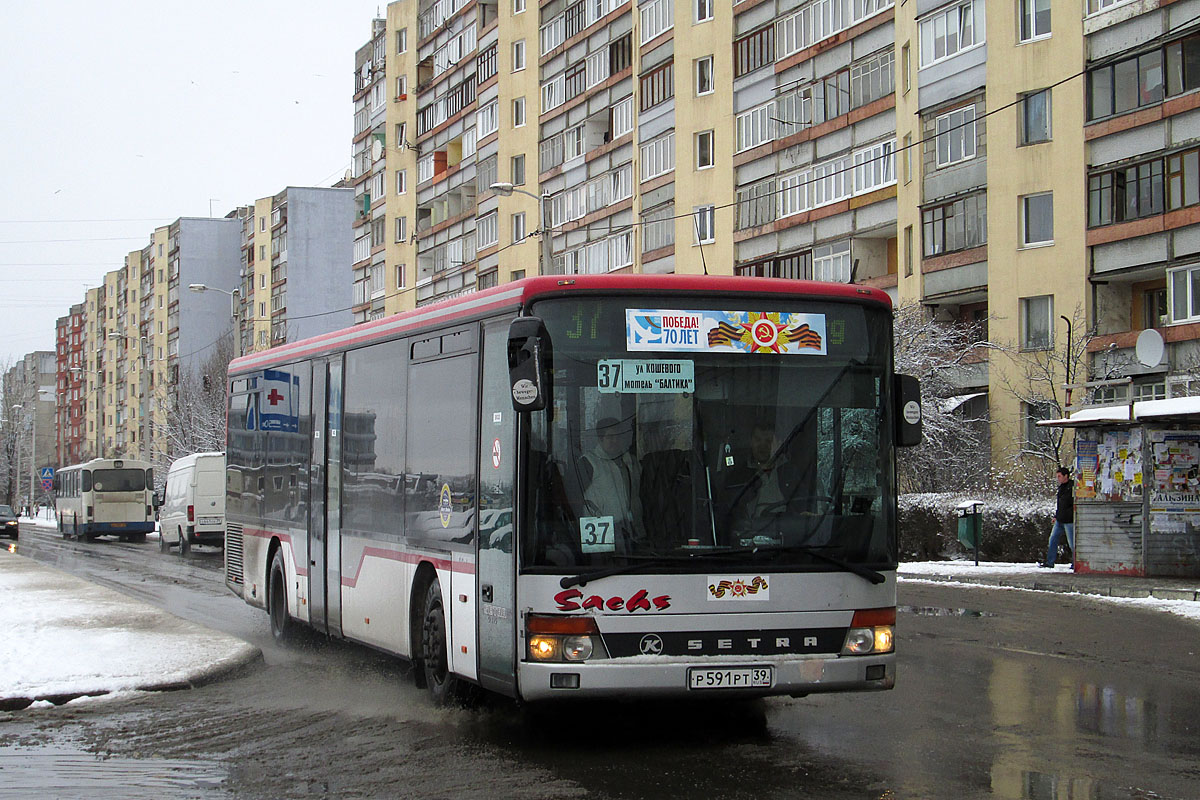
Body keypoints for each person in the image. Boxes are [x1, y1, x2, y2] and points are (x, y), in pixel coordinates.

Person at [579, 417, 644, 550]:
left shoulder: (629, 461)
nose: (615, 441)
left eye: (618, 437)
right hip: (600, 532)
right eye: (610, 437)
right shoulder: (588, 462)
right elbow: (576, 499)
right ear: (600, 439)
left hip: (631, 531)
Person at [1041, 466, 1075, 568]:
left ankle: (1076, 563)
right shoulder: (1061, 488)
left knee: (1072, 543)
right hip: (1060, 519)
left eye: (1059, 476)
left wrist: (1067, 514)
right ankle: (1050, 562)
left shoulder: (1072, 487)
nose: (1058, 478)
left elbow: (1071, 504)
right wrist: (1056, 515)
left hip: (1069, 520)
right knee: (1053, 539)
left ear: (1066, 476)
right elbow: (1060, 504)